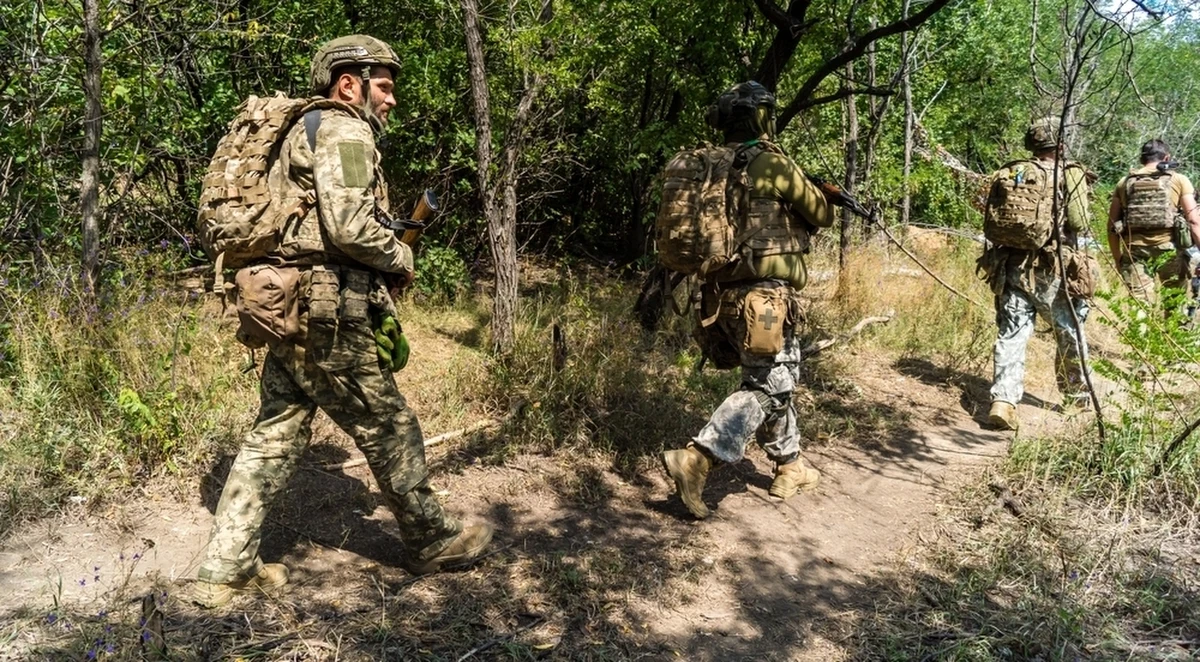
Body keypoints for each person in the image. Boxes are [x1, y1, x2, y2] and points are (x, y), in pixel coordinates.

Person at [192, 35, 493, 608]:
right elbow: (351, 228)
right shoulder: (344, 128)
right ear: (348, 83)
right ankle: (432, 540)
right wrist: (401, 256)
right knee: (389, 424)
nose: (392, 99)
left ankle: (225, 569)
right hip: (325, 312)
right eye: (384, 85)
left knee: (275, 431)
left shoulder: (301, 129)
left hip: (284, 306)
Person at [659, 81, 837, 520]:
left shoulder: (709, 166)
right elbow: (821, 215)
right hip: (766, 300)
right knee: (769, 387)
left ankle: (791, 465)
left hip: (720, 297)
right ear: (761, 116)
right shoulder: (771, 164)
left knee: (774, 378)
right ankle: (700, 456)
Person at [982, 119, 1092, 431]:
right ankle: (1077, 397)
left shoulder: (1013, 171)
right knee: (1069, 331)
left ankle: (1002, 401)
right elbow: (1079, 221)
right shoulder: (1069, 172)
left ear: (1032, 144)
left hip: (1010, 265)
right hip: (1050, 267)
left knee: (1012, 333)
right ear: (1060, 143)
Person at [1107, 139, 1200, 312]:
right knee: (1175, 305)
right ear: (1167, 157)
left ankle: (1140, 339)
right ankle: (1174, 338)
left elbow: (1111, 227)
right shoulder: (1179, 180)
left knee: (1139, 307)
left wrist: (1117, 257)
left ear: (1142, 159)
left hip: (1134, 251)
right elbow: (1194, 221)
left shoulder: (1124, 182)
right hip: (1170, 251)